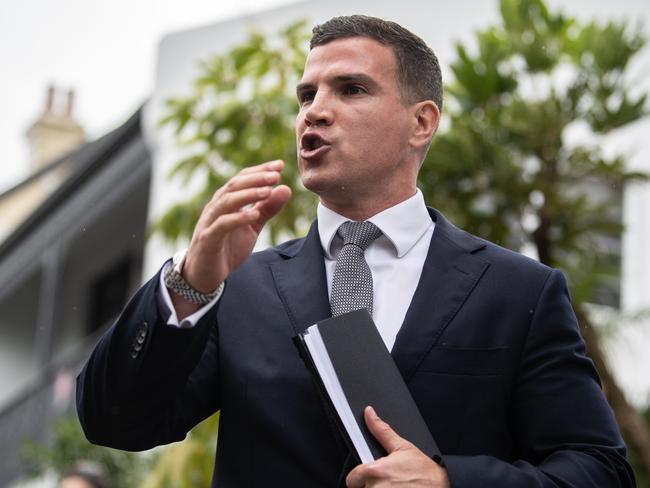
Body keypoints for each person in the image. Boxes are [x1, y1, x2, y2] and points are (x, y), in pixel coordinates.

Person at [76, 15, 634, 487]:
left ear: (422, 122)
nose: (314, 111)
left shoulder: (519, 291)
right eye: (306, 94)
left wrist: (450, 480)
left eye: (351, 89)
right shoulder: (238, 286)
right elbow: (116, 423)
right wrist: (192, 283)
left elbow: (599, 468)